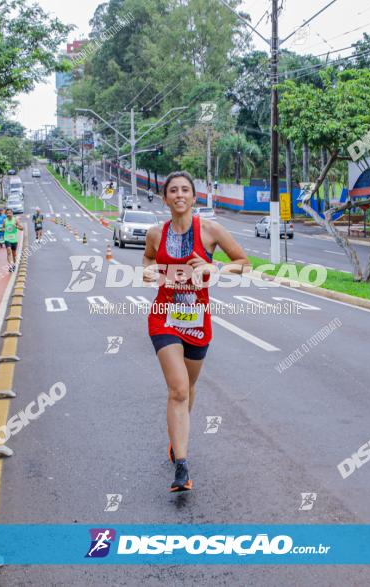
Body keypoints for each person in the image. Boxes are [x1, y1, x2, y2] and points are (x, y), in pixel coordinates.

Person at [143, 170, 249, 492]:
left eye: (185, 190)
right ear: (165, 198)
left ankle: (178, 437)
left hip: (197, 321)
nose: (179, 195)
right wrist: (149, 272)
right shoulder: (155, 234)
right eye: (172, 190)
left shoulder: (211, 231)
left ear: (194, 196)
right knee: (177, 389)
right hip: (164, 317)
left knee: (188, 388)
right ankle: (182, 466)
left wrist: (214, 267)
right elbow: (147, 259)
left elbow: (244, 263)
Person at [3, 208, 24, 272]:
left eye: (10, 213)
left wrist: (16, 226)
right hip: (7, 238)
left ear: (12, 213)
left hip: (14, 239)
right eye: (7, 213)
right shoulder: (5, 220)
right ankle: (10, 265)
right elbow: (3, 227)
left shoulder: (15, 220)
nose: (8, 214)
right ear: (6, 214)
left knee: (14, 254)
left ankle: (14, 264)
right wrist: (3, 229)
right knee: (8, 251)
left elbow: (22, 228)